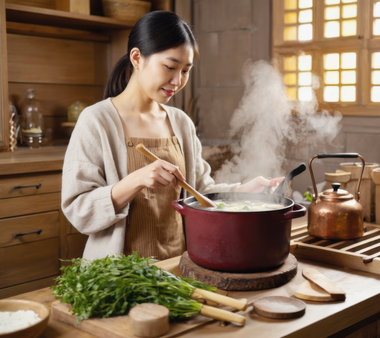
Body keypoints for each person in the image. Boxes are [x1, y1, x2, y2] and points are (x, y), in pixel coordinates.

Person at [61, 10, 283, 261]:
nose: (177, 81)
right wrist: (136, 180)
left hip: (178, 266)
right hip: (117, 276)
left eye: (186, 71)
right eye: (169, 67)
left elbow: (199, 191)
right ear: (137, 57)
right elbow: (78, 210)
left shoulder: (180, 123)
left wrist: (244, 190)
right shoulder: (97, 121)